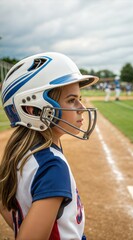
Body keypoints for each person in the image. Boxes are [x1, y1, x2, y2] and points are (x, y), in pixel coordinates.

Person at [0, 52, 99, 240]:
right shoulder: (52, 167)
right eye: (71, 100)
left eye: (79, 98)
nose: (82, 107)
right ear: (33, 109)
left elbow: (17, 217)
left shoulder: (23, 153)